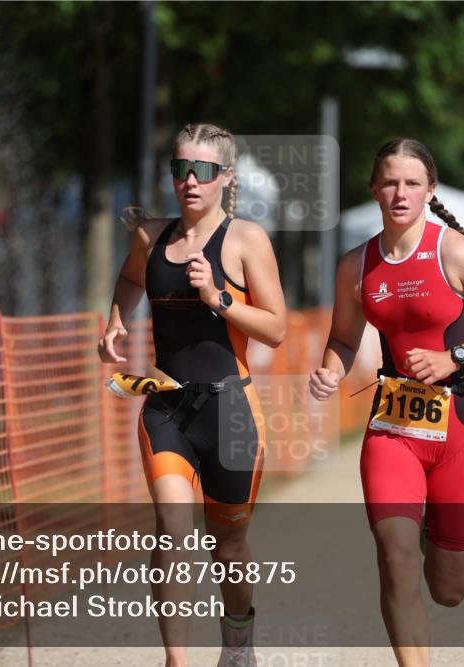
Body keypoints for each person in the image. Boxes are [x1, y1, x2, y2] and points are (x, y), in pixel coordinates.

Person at [309, 138, 464, 666]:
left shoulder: (453, 251)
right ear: (374, 189)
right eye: (390, 182)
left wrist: (454, 356)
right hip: (393, 429)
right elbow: (343, 339)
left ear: (430, 191)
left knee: (448, 589)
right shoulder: (356, 265)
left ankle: (435, 526)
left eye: (412, 183)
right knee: (395, 558)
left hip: (463, 430)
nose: (400, 193)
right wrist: (330, 370)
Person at [99, 122, 287, 667]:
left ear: (225, 176)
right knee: (174, 532)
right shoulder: (150, 237)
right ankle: (176, 660)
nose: (190, 181)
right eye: (180, 169)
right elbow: (131, 280)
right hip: (166, 408)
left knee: (228, 548)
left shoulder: (246, 240)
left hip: (232, 413)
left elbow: (277, 329)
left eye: (202, 171)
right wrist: (115, 321)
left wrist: (219, 298)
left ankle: (238, 643)